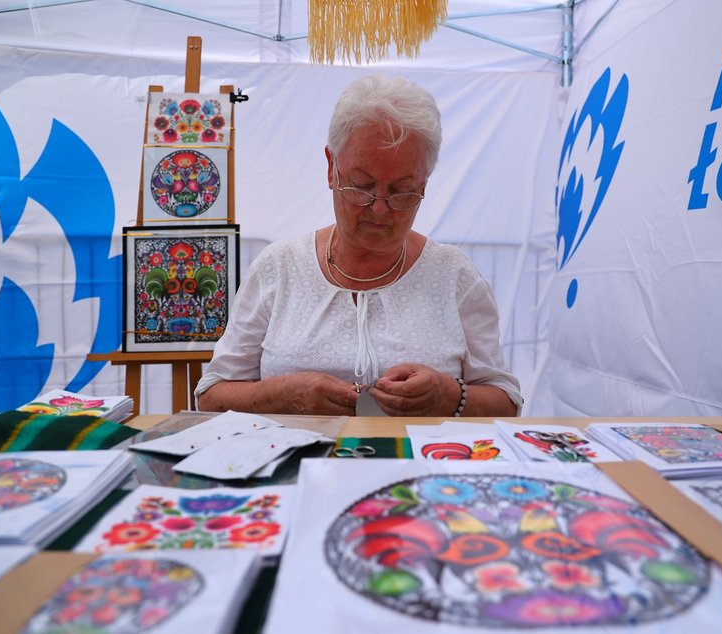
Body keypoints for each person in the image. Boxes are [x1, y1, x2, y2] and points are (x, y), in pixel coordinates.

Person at [196, 74, 522, 417]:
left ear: (425, 182)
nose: (379, 209)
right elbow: (210, 396)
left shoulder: (453, 276)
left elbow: (506, 403)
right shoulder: (279, 267)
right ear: (331, 168)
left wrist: (449, 395)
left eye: (402, 191)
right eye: (362, 186)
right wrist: (284, 396)